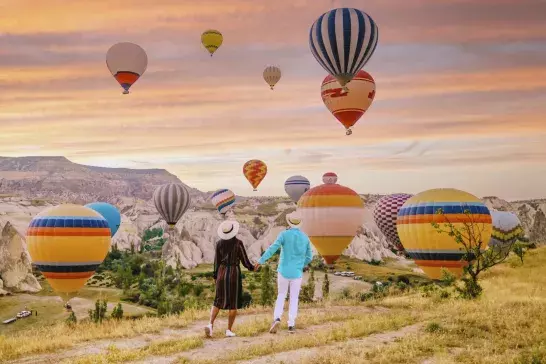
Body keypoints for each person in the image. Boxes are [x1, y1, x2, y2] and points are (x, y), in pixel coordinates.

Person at [255, 211, 313, 334]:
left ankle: (277, 318)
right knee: (294, 298)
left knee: (281, 295)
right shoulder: (305, 238)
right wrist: (300, 265)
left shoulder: (284, 235)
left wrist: (261, 260)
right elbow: (309, 257)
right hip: (297, 273)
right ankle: (291, 324)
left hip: (283, 271)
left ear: (290, 222)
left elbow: (272, 248)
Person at [205, 220, 256, 338]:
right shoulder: (238, 243)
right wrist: (252, 268)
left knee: (217, 300)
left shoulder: (219, 244)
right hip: (233, 274)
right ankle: (228, 330)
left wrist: (215, 276)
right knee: (233, 303)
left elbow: (216, 262)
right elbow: (245, 260)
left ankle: (210, 325)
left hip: (221, 273)